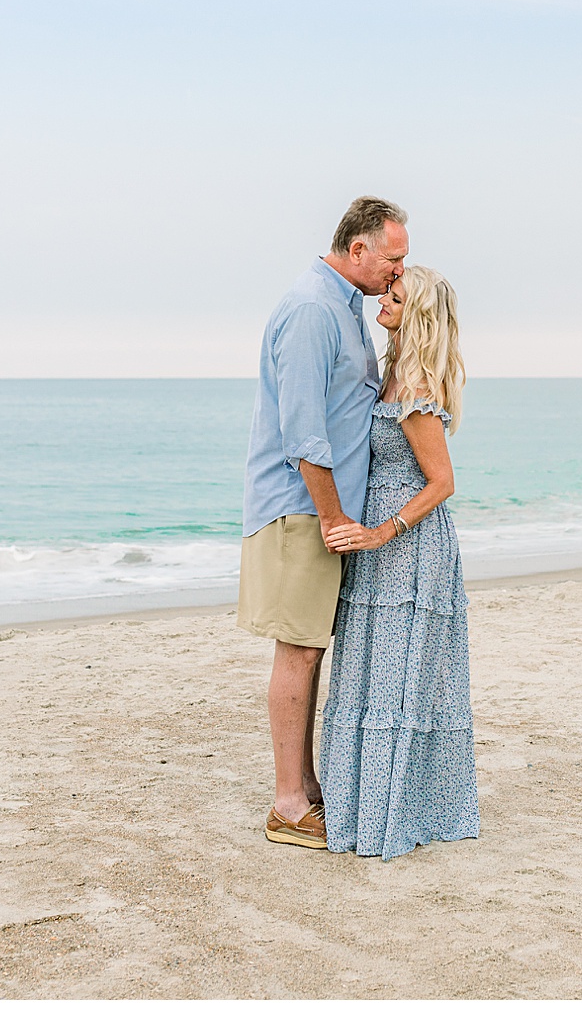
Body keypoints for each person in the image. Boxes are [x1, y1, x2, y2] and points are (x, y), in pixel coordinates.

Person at [240, 195, 409, 850]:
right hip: (300, 507)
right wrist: (335, 515)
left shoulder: (343, 308)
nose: (398, 271)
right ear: (357, 248)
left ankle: (305, 785)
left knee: (309, 646)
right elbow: (304, 433)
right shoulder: (314, 310)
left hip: (318, 507)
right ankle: (287, 803)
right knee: (299, 647)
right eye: (393, 258)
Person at [318, 265, 478, 860]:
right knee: (370, 670)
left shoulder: (413, 387)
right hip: (376, 544)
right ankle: (364, 802)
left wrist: (384, 530)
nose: (383, 298)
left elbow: (443, 482)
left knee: (401, 676)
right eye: (387, 288)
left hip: (408, 545)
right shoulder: (389, 372)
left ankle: (397, 809)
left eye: (395, 295)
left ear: (418, 313)